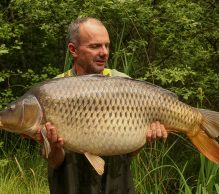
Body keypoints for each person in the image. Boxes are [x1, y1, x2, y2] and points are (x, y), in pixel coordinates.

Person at [37, 17, 168, 194]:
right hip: (70, 185)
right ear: (73, 50)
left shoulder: (124, 84)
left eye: (107, 45)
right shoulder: (51, 91)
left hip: (117, 185)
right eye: (95, 46)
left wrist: (146, 137)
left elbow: (131, 152)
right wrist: (54, 147)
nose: (104, 52)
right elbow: (54, 161)